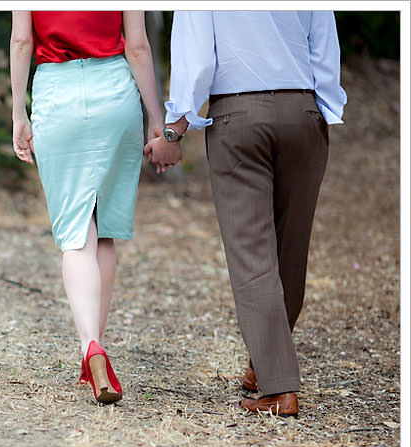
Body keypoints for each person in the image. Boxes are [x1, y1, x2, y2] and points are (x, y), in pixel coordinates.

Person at [145, 11, 346, 416]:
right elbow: (325, 47)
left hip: (239, 116)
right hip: (303, 112)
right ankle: (265, 360)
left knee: (251, 252)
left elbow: (198, 62)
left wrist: (173, 131)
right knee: (291, 248)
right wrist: (319, 108)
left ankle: (279, 388)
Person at [10, 11, 172, 404]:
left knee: (75, 234)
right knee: (105, 230)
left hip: (56, 94)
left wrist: (18, 113)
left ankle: (91, 347)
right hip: (115, 94)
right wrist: (156, 118)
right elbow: (136, 46)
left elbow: (21, 41)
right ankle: (94, 353)